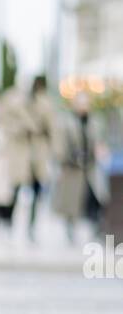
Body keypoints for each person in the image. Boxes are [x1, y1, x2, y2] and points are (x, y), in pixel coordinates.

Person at [51, 90, 106, 243]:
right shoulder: (66, 122)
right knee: (71, 200)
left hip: (90, 166)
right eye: (80, 103)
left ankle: (96, 229)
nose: (83, 107)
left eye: (85, 103)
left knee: (94, 198)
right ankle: (70, 229)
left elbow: (99, 141)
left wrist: (99, 151)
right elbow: (60, 145)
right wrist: (65, 159)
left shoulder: (95, 122)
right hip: (72, 167)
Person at [0, 80, 35, 228]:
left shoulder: (25, 115)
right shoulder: (2, 123)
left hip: (18, 159)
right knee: (3, 190)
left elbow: (32, 128)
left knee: (14, 189)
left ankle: (9, 219)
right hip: (5, 161)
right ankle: (0, 216)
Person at [26, 74, 55, 240]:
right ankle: (28, 227)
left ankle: (30, 226)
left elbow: (51, 128)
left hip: (36, 153)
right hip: (29, 153)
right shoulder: (30, 103)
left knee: (34, 190)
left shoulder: (42, 103)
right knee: (28, 190)